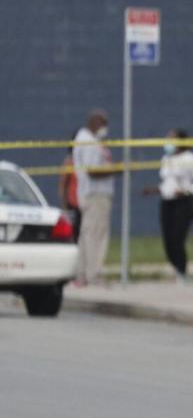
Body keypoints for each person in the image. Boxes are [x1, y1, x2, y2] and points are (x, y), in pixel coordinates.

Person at [143, 129, 193, 282]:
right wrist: (156, 189)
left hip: (183, 203)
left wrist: (186, 191)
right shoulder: (166, 158)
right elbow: (167, 182)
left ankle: (182, 271)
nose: (169, 142)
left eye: (172, 139)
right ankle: (175, 266)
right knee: (168, 238)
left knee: (178, 237)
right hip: (167, 202)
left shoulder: (191, 158)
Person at [72, 109, 118, 286]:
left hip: (91, 194)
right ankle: (94, 274)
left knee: (87, 234)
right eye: (103, 123)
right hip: (96, 194)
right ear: (94, 122)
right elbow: (93, 171)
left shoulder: (88, 140)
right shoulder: (88, 142)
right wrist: (117, 170)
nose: (105, 127)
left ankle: (82, 274)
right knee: (96, 236)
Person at [57, 139, 81, 240]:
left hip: (86, 203)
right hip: (73, 204)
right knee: (75, 234)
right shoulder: (70, 162)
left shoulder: (87, 160)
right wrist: (64, 205)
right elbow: (63, 185)